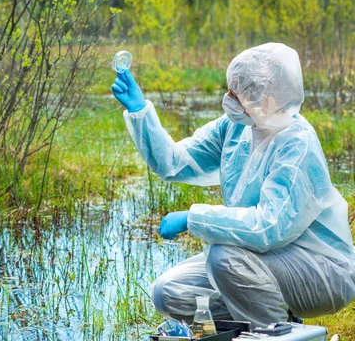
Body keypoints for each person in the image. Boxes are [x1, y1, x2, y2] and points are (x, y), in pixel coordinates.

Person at [111, 43, 355, 328]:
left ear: (268, 100)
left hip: (320, 270)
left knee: (223, 256)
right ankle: (277, 320)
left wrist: (193, 218)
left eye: (237, 93)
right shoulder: (237, 126)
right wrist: (141, 113)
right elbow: (175, 162)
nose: (228, 97)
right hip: (260, 260)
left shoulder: (297, 143)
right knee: (169, 294)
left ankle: (274, 334)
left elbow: (269, 226)